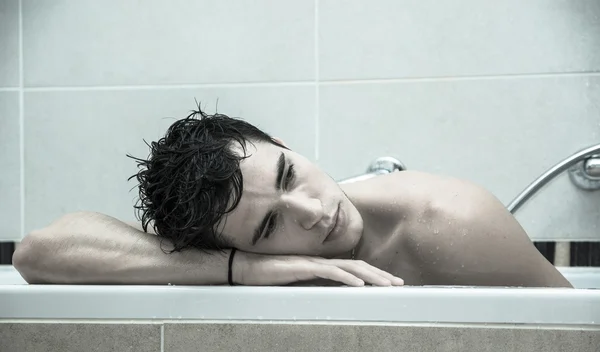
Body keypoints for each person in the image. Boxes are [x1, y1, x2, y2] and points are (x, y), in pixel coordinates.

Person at [12, 108, 572, 288]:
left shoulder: (446, 224)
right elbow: (36, 252)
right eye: (267, 228)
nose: (314, 212)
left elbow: (577, 340)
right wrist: (239, 269)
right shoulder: (232, 247)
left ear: (283, 145)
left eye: (287, 175)